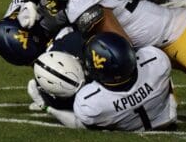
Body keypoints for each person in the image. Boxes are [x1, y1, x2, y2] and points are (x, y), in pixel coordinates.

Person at [28, 32, 178, 131]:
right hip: (167, 116)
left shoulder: (89, 100)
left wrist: (48, 108)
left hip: (133, 127)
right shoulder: (156, 59)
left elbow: (79, 124)